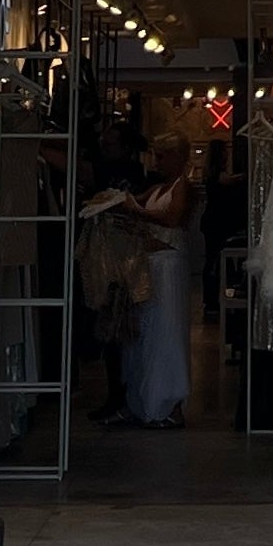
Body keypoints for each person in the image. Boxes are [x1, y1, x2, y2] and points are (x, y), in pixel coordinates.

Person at [121, 133, 199, 429]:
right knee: (150, 333)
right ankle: (150, 402)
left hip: (169, 267)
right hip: (152, 266)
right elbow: (135, 204)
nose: (157, 162)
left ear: (177, 157)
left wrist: (137, 211)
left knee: (168, 331)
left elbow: (173, 218)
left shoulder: (183, 188)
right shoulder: (157, 188)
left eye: (162, 156)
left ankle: (171, 402)